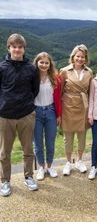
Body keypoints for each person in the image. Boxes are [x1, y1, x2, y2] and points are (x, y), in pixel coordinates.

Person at [0, 33, 40, 197]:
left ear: (24, 49)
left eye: (20, 47)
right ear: (9, 48)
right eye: (14, 46)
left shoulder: (31, 68)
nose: (17, 49)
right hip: (5, 115)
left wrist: (27, 106)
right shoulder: (1, 67)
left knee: (28, 149)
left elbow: (35, 90)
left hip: (26, 115)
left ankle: (29, 176)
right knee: (4, 152)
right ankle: (5, 181)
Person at [60, 44, 92, 176]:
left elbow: (90, 92)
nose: (80, 59)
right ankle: (68, 162)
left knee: (82, 136)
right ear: (73, 57)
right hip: (67, 106)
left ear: (85, 59)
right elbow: (59, 91)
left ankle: (79, 161)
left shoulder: (89, 72)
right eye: (78, 56)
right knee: (68, 137)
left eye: (82, 57)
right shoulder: (64, 71)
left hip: (83, 105)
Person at [33, 52, 62, 181]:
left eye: (46, 62)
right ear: (37, 63)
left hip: (51, 111)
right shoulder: (32, 77)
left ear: (50, 64)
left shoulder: (55, 78)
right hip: (35, 112)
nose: (44, 65)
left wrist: (59, 115)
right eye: (41, 62)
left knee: (50, 142)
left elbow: (58, 99)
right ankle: (41, 167)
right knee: (38, 144)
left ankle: (50, 166)